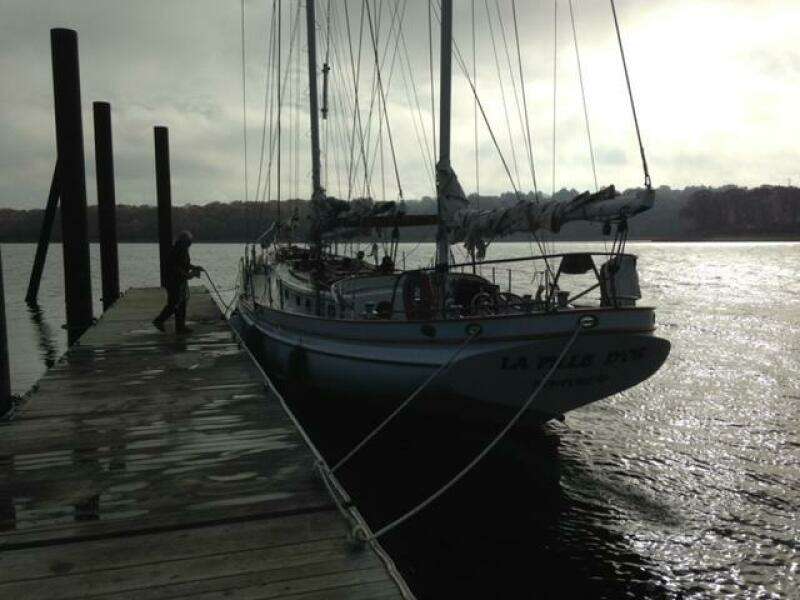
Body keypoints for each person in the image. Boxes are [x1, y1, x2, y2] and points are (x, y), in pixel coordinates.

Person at [153, 231, 203, 334]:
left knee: (182, 302)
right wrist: (190, 275)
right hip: (173, 281)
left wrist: (194, 267)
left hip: (180, 281)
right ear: (184, 241)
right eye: (188, 242)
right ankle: (159, 321)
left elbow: (185, 265)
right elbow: (176, 268)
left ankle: (180, 327)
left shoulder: (183, 250)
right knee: (174, 303)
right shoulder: (176, 251)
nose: (190, 244)